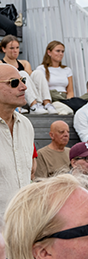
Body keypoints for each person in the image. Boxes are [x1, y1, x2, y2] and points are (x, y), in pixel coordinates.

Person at [0, 65, 33, 217]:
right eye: (14, 82)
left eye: (23, 80)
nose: (24, 87)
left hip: (24, 227)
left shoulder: (26, 125)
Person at [28, 40, 73, 112]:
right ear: (49, 52)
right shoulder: (41, 69)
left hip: (63, 97)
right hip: (51, 96)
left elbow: (70, 91)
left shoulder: (67, 69)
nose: (61, 53)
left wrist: (69, 102)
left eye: (62, 51)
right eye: (58, 51)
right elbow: (40, 89)